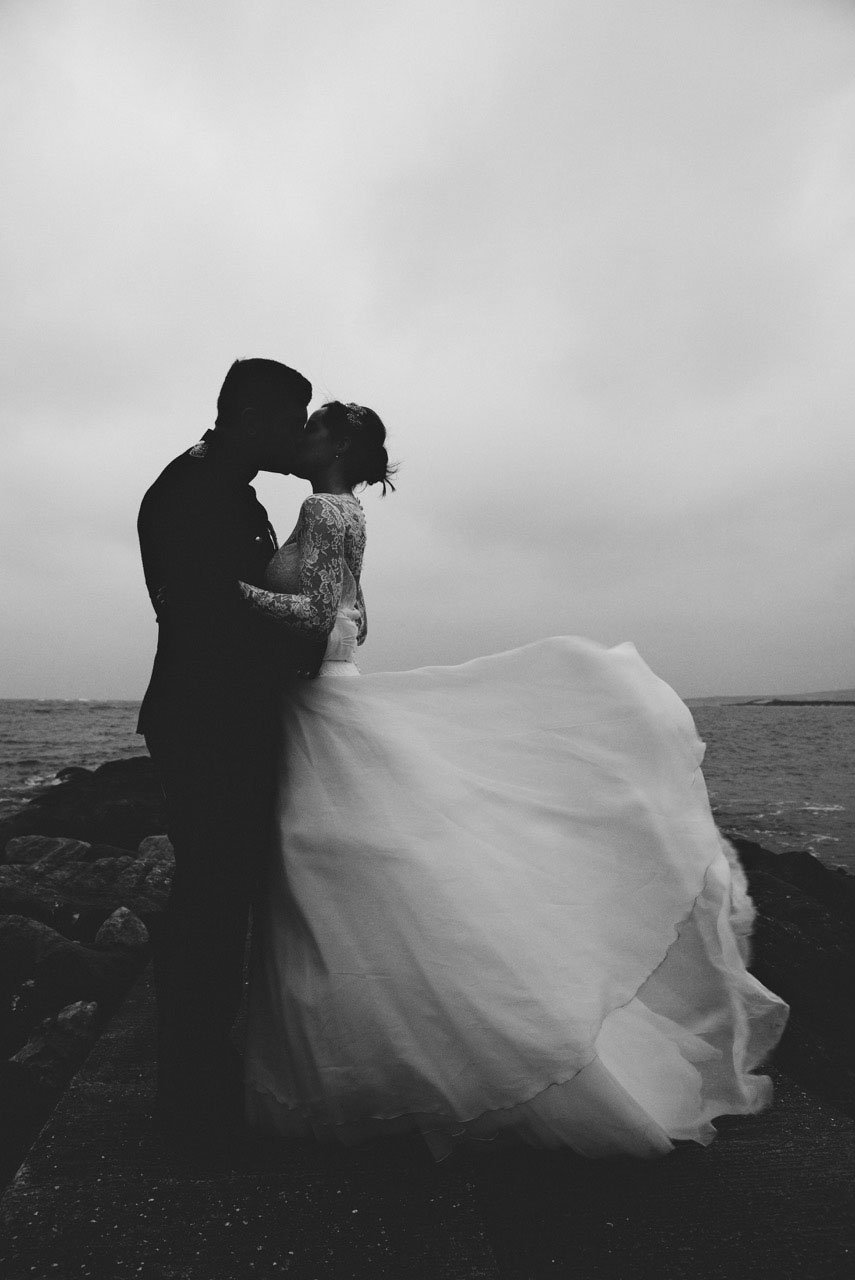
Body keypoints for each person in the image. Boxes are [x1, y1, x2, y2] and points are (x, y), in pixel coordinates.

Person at [240, 400, 788, 1161]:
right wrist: (322, 629)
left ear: (336, 444)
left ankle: (380, 1055)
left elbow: (315, 612)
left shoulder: (320, 507)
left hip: (317, 702)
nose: (297, 437)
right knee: (343, 868)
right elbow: (355, 616)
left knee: (325, 867)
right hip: (327, 687)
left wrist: (230, 592)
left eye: (311, 429)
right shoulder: (350, 512)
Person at [137, 357, 316, 1141]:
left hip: (227, 718)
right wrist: (306, 643)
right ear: (253, 418)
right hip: (206, 723)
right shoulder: (189, 492)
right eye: (291, 422)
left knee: (223, 897)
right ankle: (189, 1100)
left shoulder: (232, 488)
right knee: (210, 901)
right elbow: (207, 618)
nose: (300, 437)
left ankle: (203, 1075)